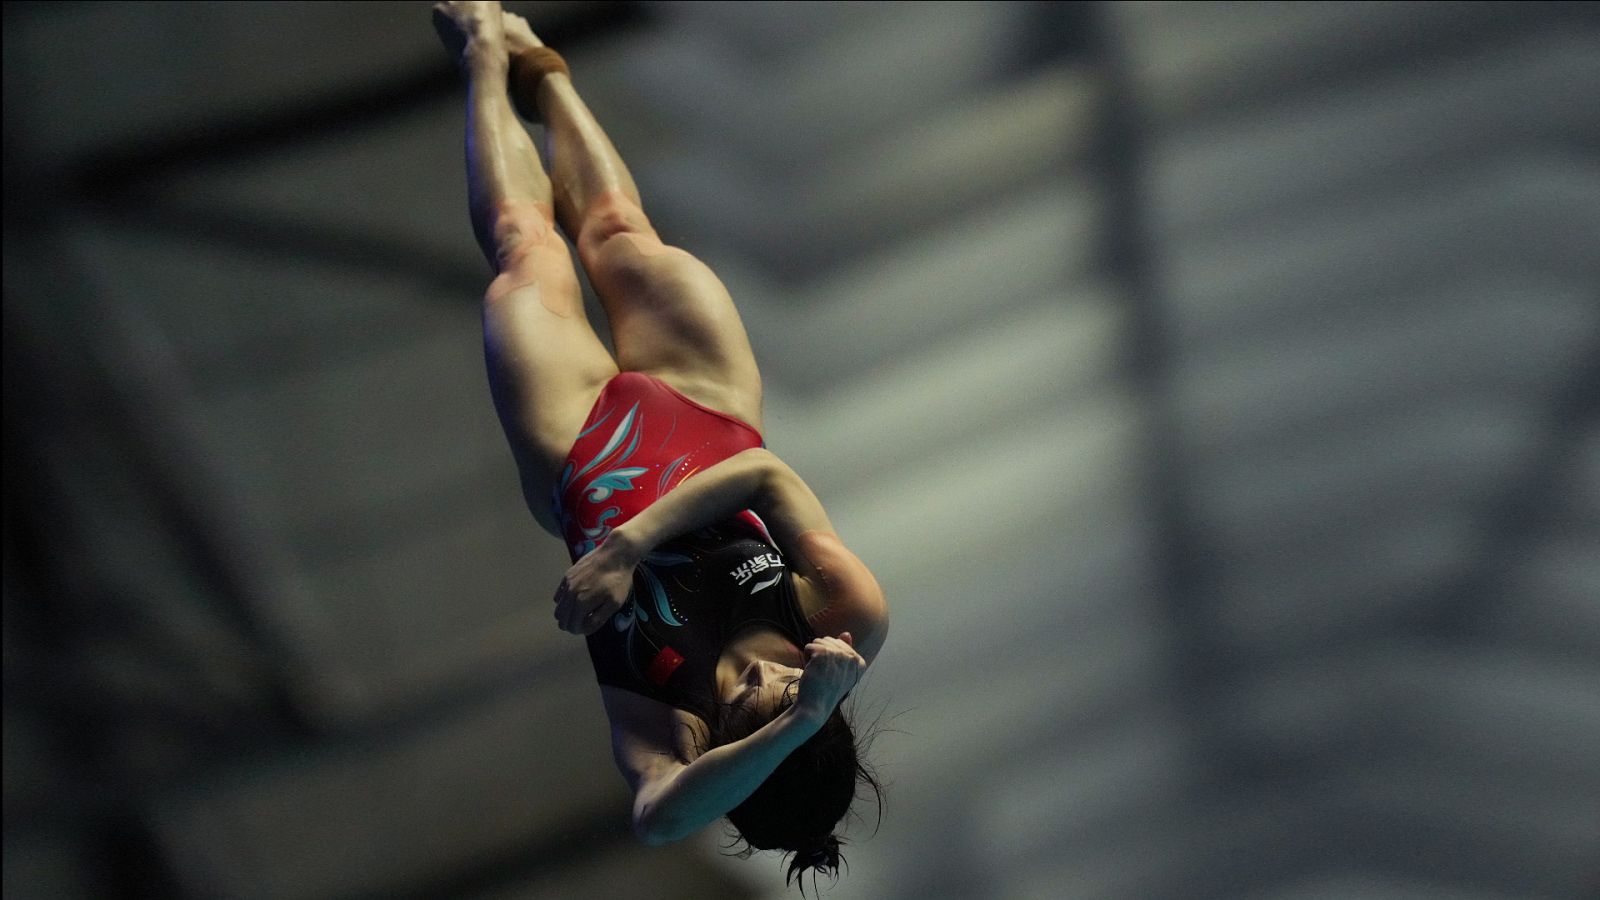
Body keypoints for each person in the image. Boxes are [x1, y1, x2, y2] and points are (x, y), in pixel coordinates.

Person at [430, 2, 890, 890]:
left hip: (582, 458)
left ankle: (484, 53)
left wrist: (795, 726)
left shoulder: (665, 734)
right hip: (707, 411)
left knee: (529, 253)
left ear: (731, 748)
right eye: (796, 688)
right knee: (618, 233)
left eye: (761, 705)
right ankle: (544, 70)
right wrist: (631, 550)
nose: (776, 676)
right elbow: (763, 472)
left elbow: (656, 820)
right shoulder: (848, 622)